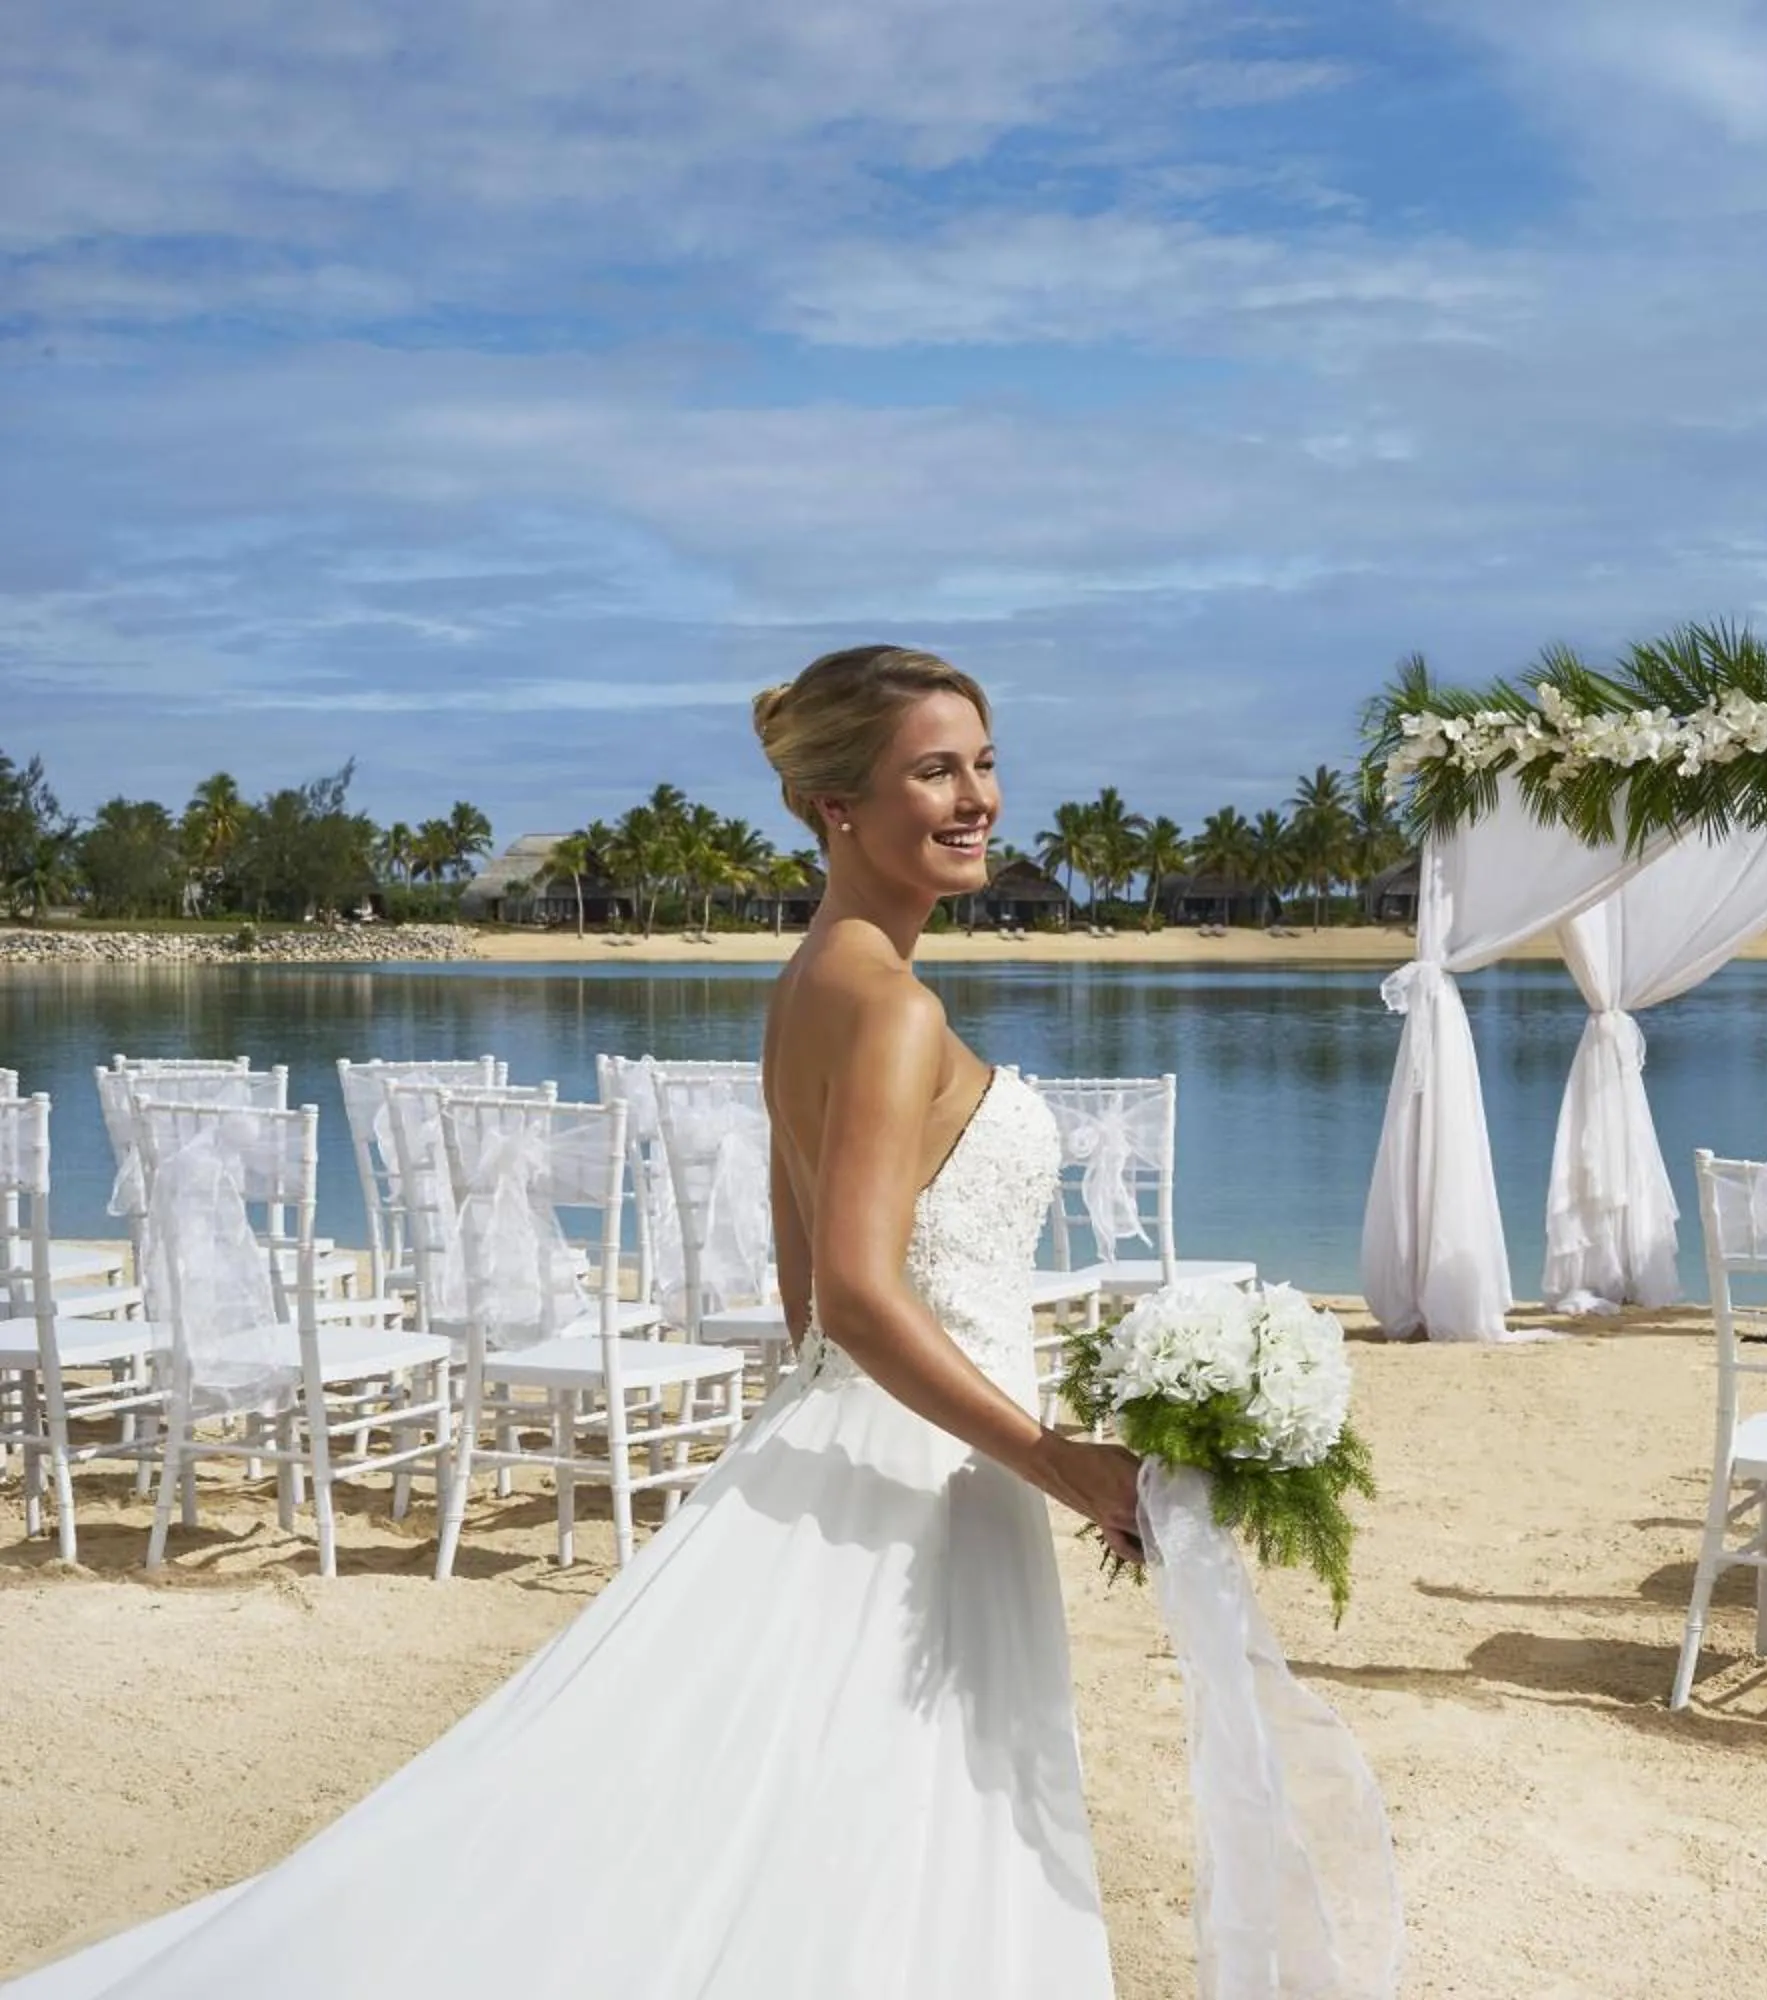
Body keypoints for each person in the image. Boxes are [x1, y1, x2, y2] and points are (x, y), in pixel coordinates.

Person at [7, 647, 1143, 1998]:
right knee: (881, 1817)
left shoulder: (808, 983)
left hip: (883, 1448)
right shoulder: (891, 1005)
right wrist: (1056, 1457)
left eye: (986, 761)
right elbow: (850, 1294)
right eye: (935, 770)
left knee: (814, 1813)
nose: (978, 800)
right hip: (935, 1462)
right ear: (839, 803)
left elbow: (806, 1309)